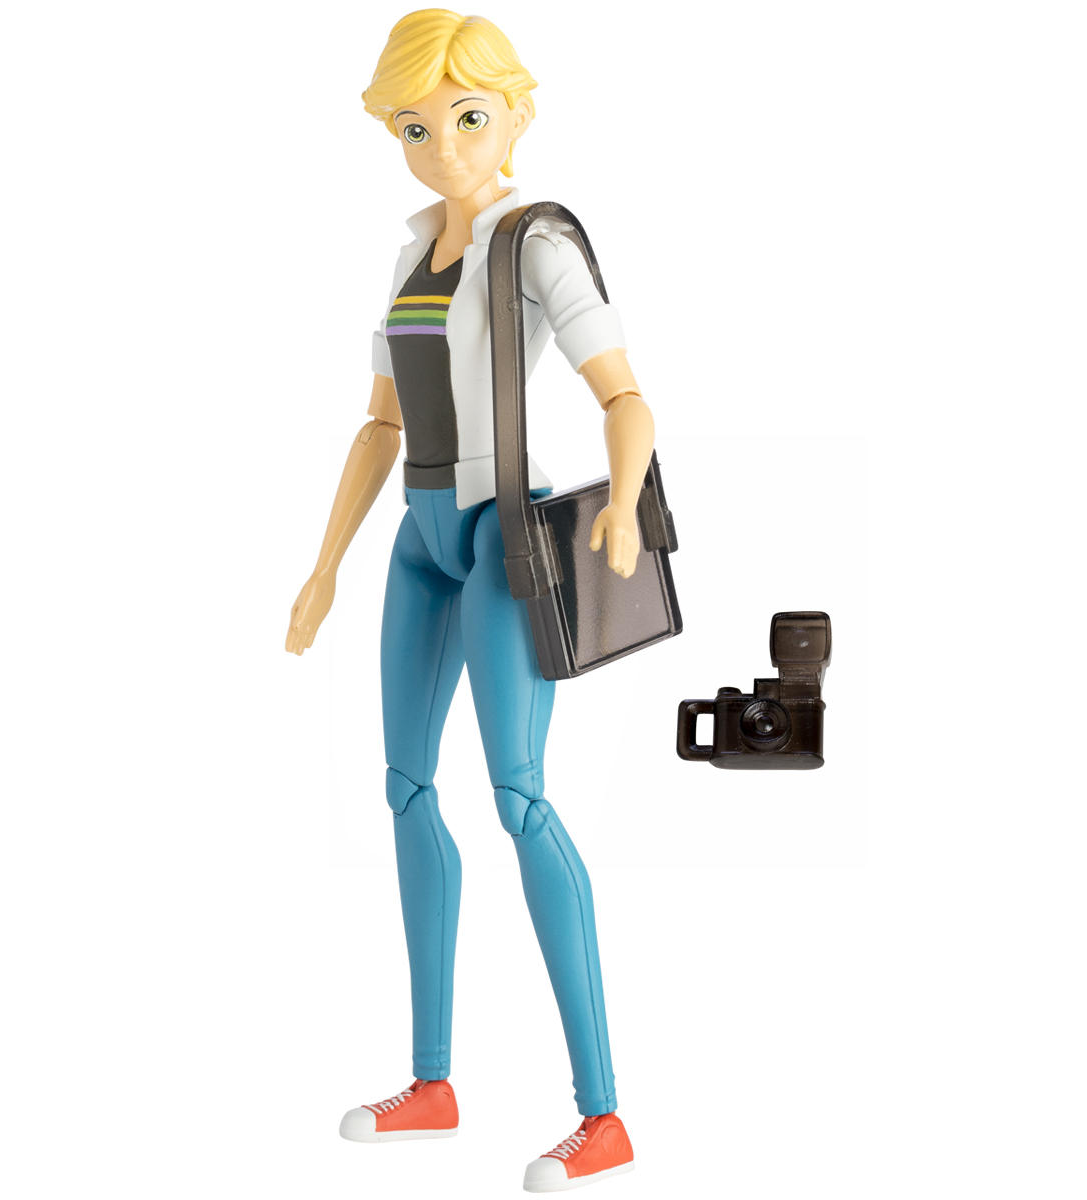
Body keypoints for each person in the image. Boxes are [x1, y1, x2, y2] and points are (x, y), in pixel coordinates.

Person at [285, 10, 654, 1192]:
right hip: (420, 541)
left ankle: (603, 1114)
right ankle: (433, 1082)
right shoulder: (410, 257)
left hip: (504, 540)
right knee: (404, 789)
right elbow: (379, 425)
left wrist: (621, 507)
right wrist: (325, 565)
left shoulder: (536, 242)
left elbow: (625, 398)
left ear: (517, 115)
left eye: (467, 118)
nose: (442, 145)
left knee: (520, 798)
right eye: (415, 126)